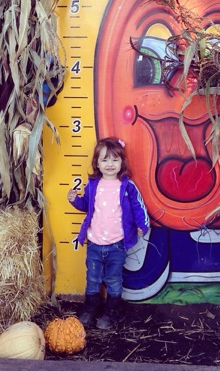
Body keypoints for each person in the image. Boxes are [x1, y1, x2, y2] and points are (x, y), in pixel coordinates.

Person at [67, 137, 150, 329]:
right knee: (93, 279)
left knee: (113, 279)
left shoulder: (127, 186)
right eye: (104, 160)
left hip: (117, 245)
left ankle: (113, 312)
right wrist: (74, 200)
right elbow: (86, 205)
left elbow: (139, 208)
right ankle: (90, 308)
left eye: (115, 159)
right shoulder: (93, 185)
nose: (110, 164)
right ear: (97, 163)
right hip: (94, 244)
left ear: (122, 162)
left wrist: (142, 226)